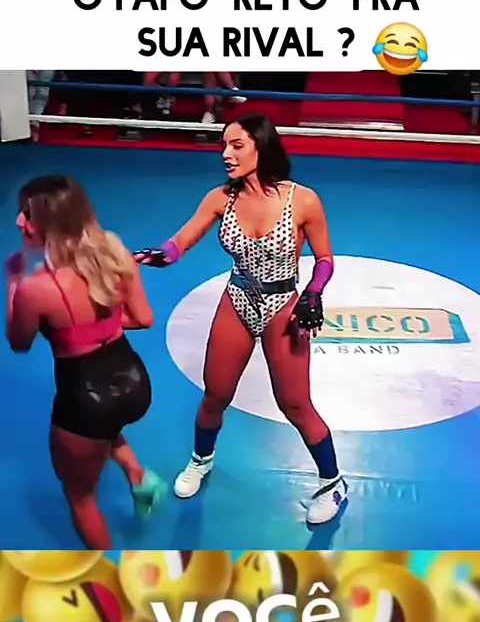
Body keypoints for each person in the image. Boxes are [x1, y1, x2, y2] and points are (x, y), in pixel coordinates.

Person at [134, 113, 346, 525]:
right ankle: (201, 460)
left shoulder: (302, 200)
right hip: (238, 297)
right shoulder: (221, 198)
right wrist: (157, 255)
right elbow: (179, 243)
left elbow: (324, 259)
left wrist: (313, 293)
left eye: (237, 145)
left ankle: (333, 483)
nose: (226, 155)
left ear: (261, 147)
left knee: (295, 404)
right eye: (223, 147)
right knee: (215, 394)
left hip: (283, 304)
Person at [5, 175, 163, 549]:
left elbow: (19, 342)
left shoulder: (35, 288)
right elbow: (143, 318)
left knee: (80, 498)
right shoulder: (115, 252)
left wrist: (13, 288)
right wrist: (97, 326)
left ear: (51, 224)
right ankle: (138, 475)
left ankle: (110, 578)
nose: (18, 221)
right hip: (134, 381)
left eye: (26, 214)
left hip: (85, 396)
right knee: (105, 427)